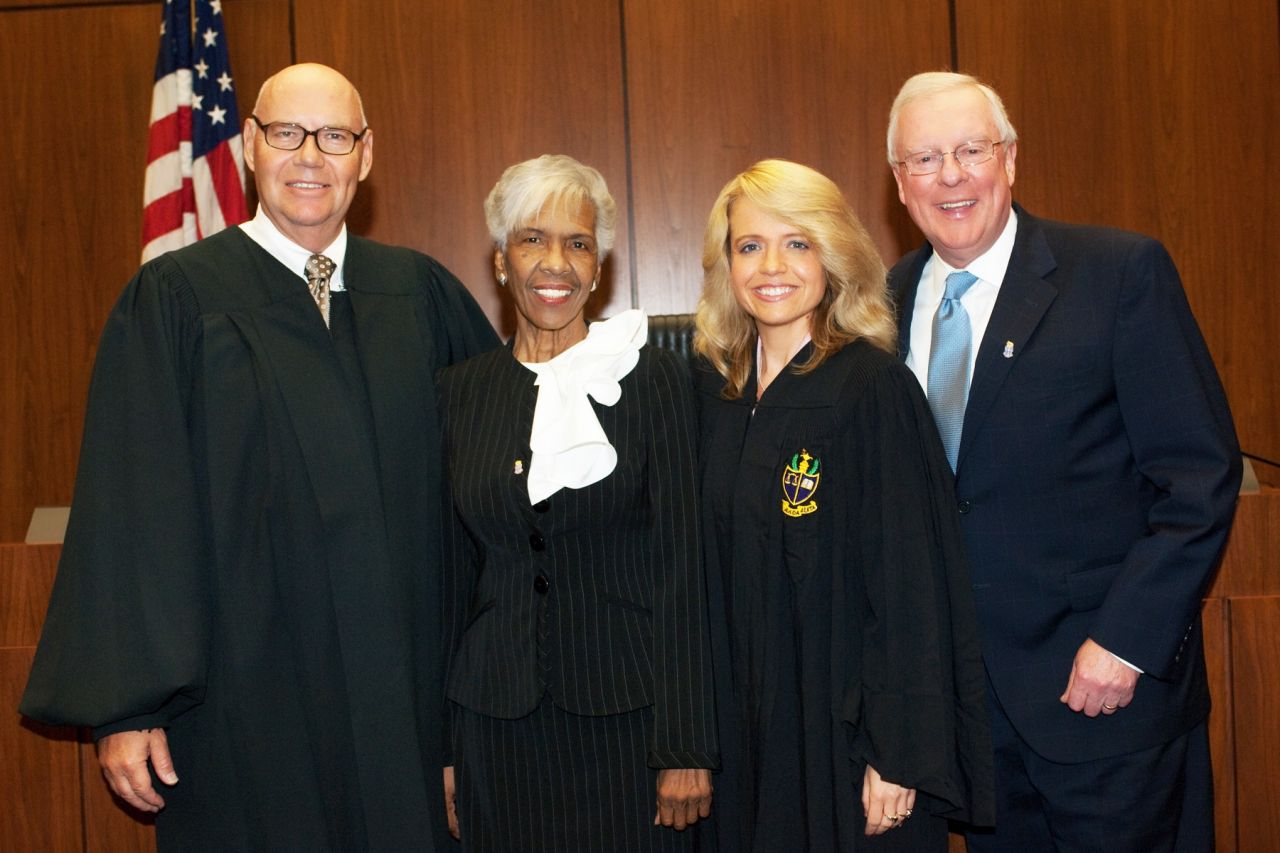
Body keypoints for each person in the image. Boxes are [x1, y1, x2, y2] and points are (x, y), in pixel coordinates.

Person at [20, 63, 498, 851]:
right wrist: (130, 705)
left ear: (365, 155)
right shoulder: (175, 300)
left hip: (407, 711)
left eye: (335, 136)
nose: (310, 156)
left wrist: (478, 715)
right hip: (242, 710)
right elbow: (133, 502)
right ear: (249, 145)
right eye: (286, 133)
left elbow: (488, 500)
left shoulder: (420, 296)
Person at [886, 71, 1242, 852]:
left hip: (1105, 704)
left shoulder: (1116, 273)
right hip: (974, 724)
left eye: (970, 149)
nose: (951, 175)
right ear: (899, 182)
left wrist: (1126, 644)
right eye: (924, 158)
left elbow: (1199, 477)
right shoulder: (883, 304)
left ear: (1009, 158)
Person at [692, 158, 994, 852]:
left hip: (846, 742)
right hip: (743, 741)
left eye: (798, 242)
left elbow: (909, 587)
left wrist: (897, 752)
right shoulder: (714, 397)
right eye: (749, 245)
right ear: (725, 266)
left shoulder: (872, 389)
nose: (773, 265)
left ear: (834, 256)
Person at [437, 154, 717, 853]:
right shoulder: (457, 393)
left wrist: (685, 743)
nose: (554, 262)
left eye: (578, 243)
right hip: (493, 726)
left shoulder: (655, 380)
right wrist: (443, 747)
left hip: (628, 721)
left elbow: (685, 568)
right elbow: (447, 581)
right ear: (501, 261)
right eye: (532, 239)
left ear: (600, 266)